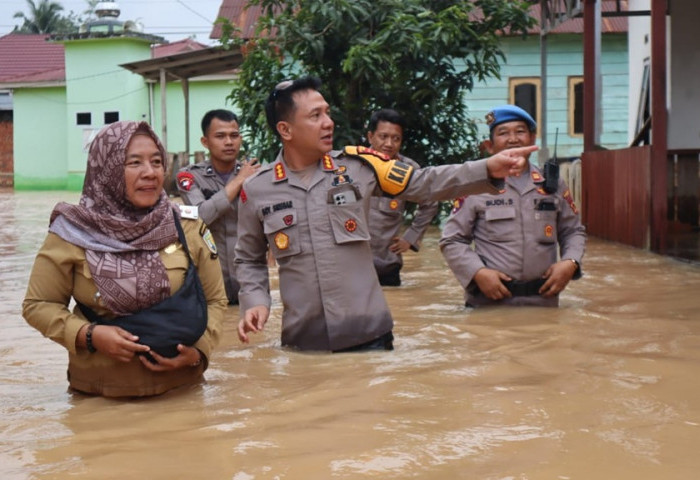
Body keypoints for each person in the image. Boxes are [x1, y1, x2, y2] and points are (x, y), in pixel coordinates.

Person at [234, 76, 537, 352]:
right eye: (315, 116)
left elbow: (424, 183)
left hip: (370, 338)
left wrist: (486, 168)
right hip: (304, 343)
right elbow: (248, 258)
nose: (328, 123)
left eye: (327, 112)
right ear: (285, 130)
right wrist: (255, 301)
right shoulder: (257, 190)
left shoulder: (361, 167)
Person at [22, 121, 228, 397]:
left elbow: (215, 300)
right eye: (134, 163)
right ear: (106, 170)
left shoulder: (186, 226)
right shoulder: (71, 232)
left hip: (181, 395)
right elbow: (38, 305)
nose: (150, 173)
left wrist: (198, 353)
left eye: (157, 162)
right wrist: (89, 335)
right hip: (99, 399)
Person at [439, 104, 586, 307]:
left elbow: (573, 231)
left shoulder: (551, 184)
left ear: (532, 139)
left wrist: (570, 263)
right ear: (490, 145)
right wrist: (477, 273)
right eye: (503, 133)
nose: (513, 139)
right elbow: (452, 240)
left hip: (543, 303)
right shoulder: (475, 185)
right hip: (488, 304)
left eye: (520, 131)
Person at [176, 109, 260, 304]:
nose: (229, 142)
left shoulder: (257, 175)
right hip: (210, 289)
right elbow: (201, 217)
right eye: (220, 136)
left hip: (250, 285)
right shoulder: (188, 177)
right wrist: (239, 181)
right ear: (205, 142)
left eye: (234, 135)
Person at [366, 109, 439, 286]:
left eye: (396, 138)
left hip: (387, 266)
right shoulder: (353, 165)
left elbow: (430, 201)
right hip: (351, 268)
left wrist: (411, 237)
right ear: (370, 137)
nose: (389, 143)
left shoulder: (408, 170)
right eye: (383, 137)